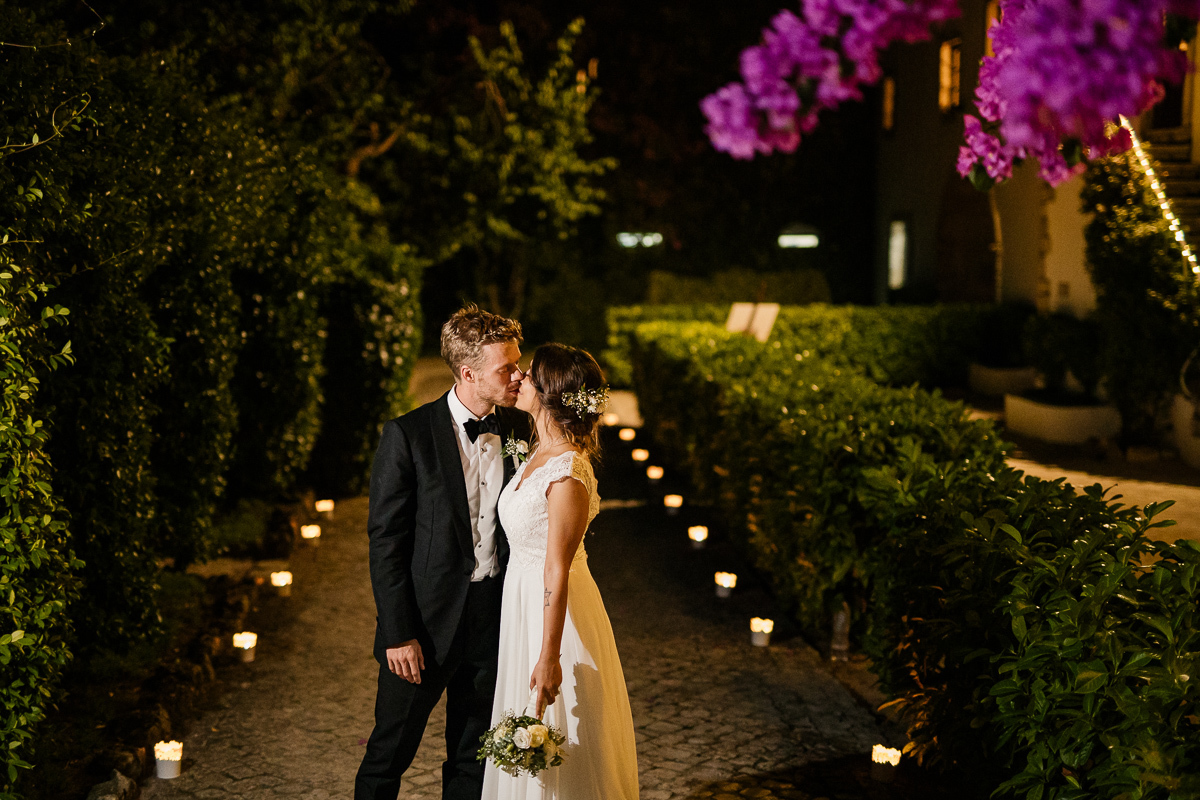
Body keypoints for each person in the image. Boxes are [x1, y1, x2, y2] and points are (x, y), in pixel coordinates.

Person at [356, 305, 532, 800]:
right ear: (468, 372)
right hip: (423, 629)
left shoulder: (519, 432)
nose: (519, 375)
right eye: (507, 368)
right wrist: (398, 633)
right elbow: (385, 543)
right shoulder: (407, 435)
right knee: (388, 755)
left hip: (493, 621)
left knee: (474, 757)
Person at [482, 344, 639, 800]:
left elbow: (558, 566)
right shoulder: (537, 453)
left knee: (563, 735)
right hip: (522, 605)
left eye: (529, 375)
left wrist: (549, 655)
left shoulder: (568, 468)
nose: (520, 379)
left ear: (550, 393)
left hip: (555, 616)